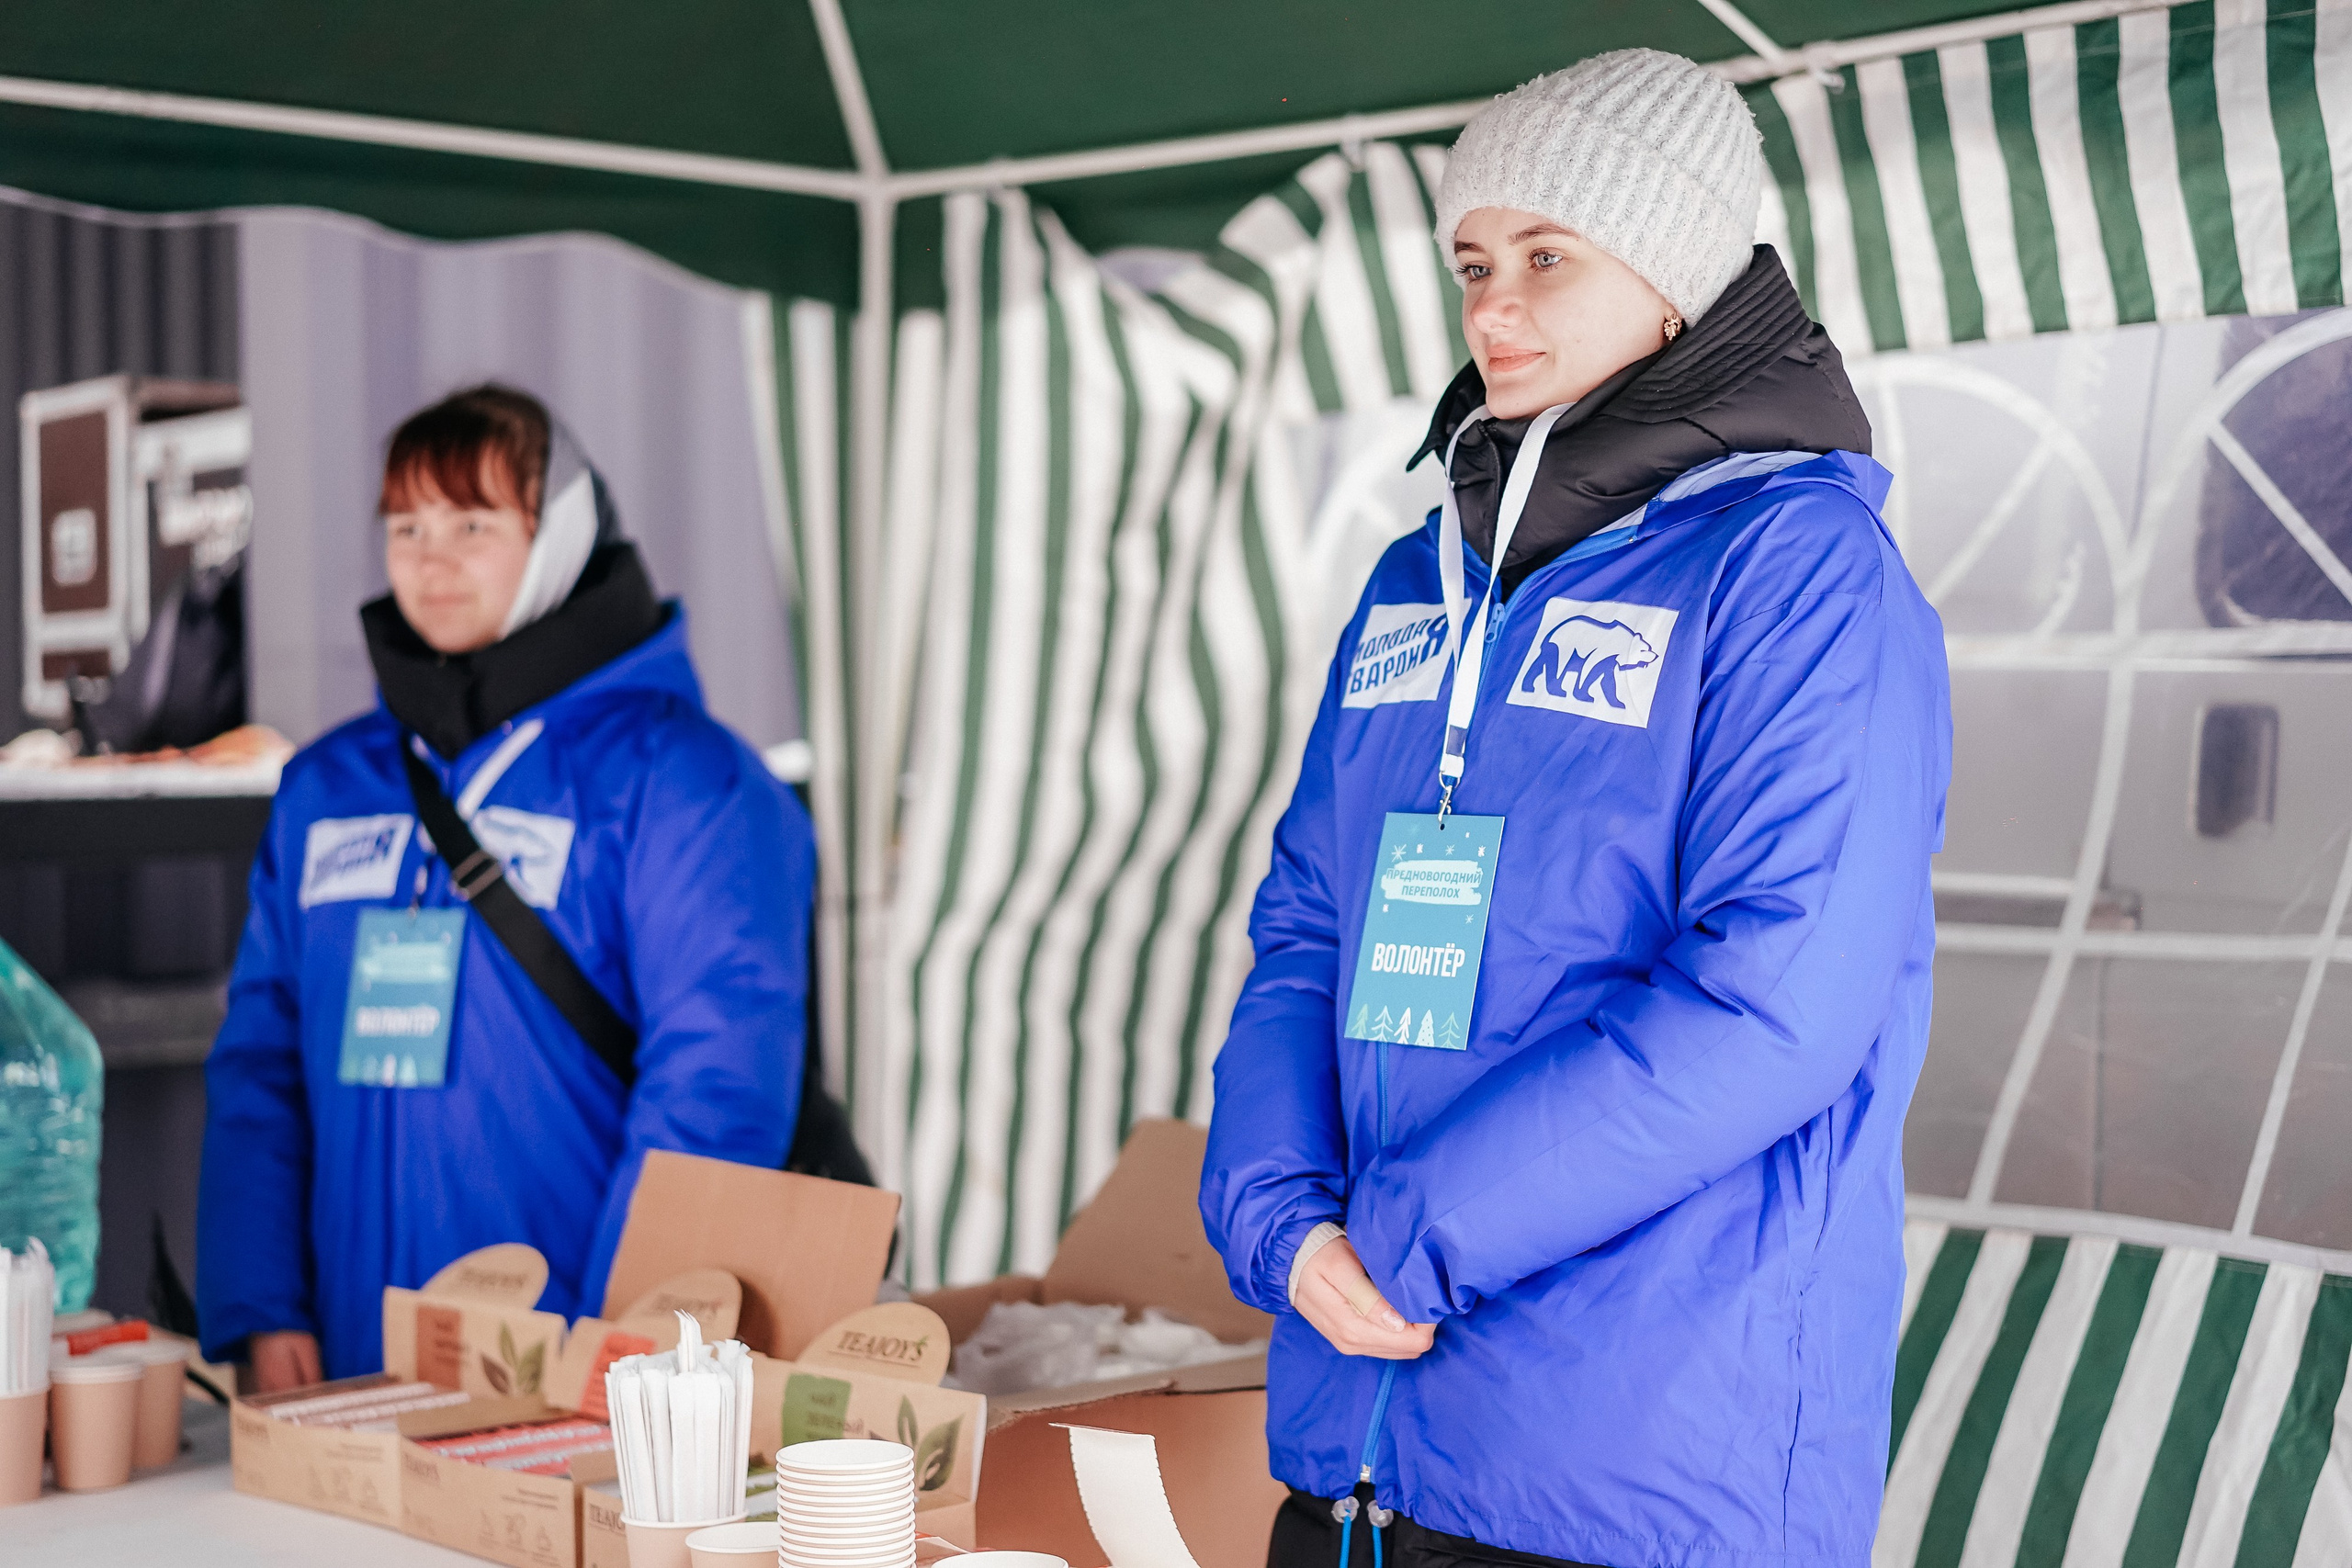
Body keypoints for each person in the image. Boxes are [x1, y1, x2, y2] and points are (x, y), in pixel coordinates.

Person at [1202, 51, 1950, 1568]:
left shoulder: (1799, 573)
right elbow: (1310, 923)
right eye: (1475, 260)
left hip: (1641, 1475)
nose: (1492, 307)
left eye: (1549, 257)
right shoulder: (1417, 579)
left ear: (1675, 281)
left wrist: (1404, 1239)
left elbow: (1773, 998)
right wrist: (1276, 1207)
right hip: (1361, 1448)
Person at [198, 385, 815, 1388]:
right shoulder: (328, 786)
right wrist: (263, 1304)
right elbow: (259, 1061)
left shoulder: (684, 781)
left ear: (561, 535)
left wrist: (623, 1341)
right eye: (405, 525)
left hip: (578, 1370)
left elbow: (717, 1085)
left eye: (472, 524)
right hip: (348, 1365)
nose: (429, 560)